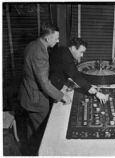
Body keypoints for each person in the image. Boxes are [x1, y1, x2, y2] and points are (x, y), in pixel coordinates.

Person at [19, 23, 71, 154]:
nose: (58, 40)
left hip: (27, 93)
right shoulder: (39, 52)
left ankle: (31, 152)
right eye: (56, 38)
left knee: (33, 131)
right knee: (44, 135)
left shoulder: (33, 44)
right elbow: (44, 83)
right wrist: (62, 95)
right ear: (47, 38)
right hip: (35, 100)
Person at [49, 37, 109, 104]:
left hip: (54, 86)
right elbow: (75, 75)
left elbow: (68, 71)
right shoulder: (66, 57)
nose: (82, 55)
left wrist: (89, 86)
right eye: (81, 52)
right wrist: (96, 93)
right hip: (50, 90)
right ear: (74, 48)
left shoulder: (64, 50)